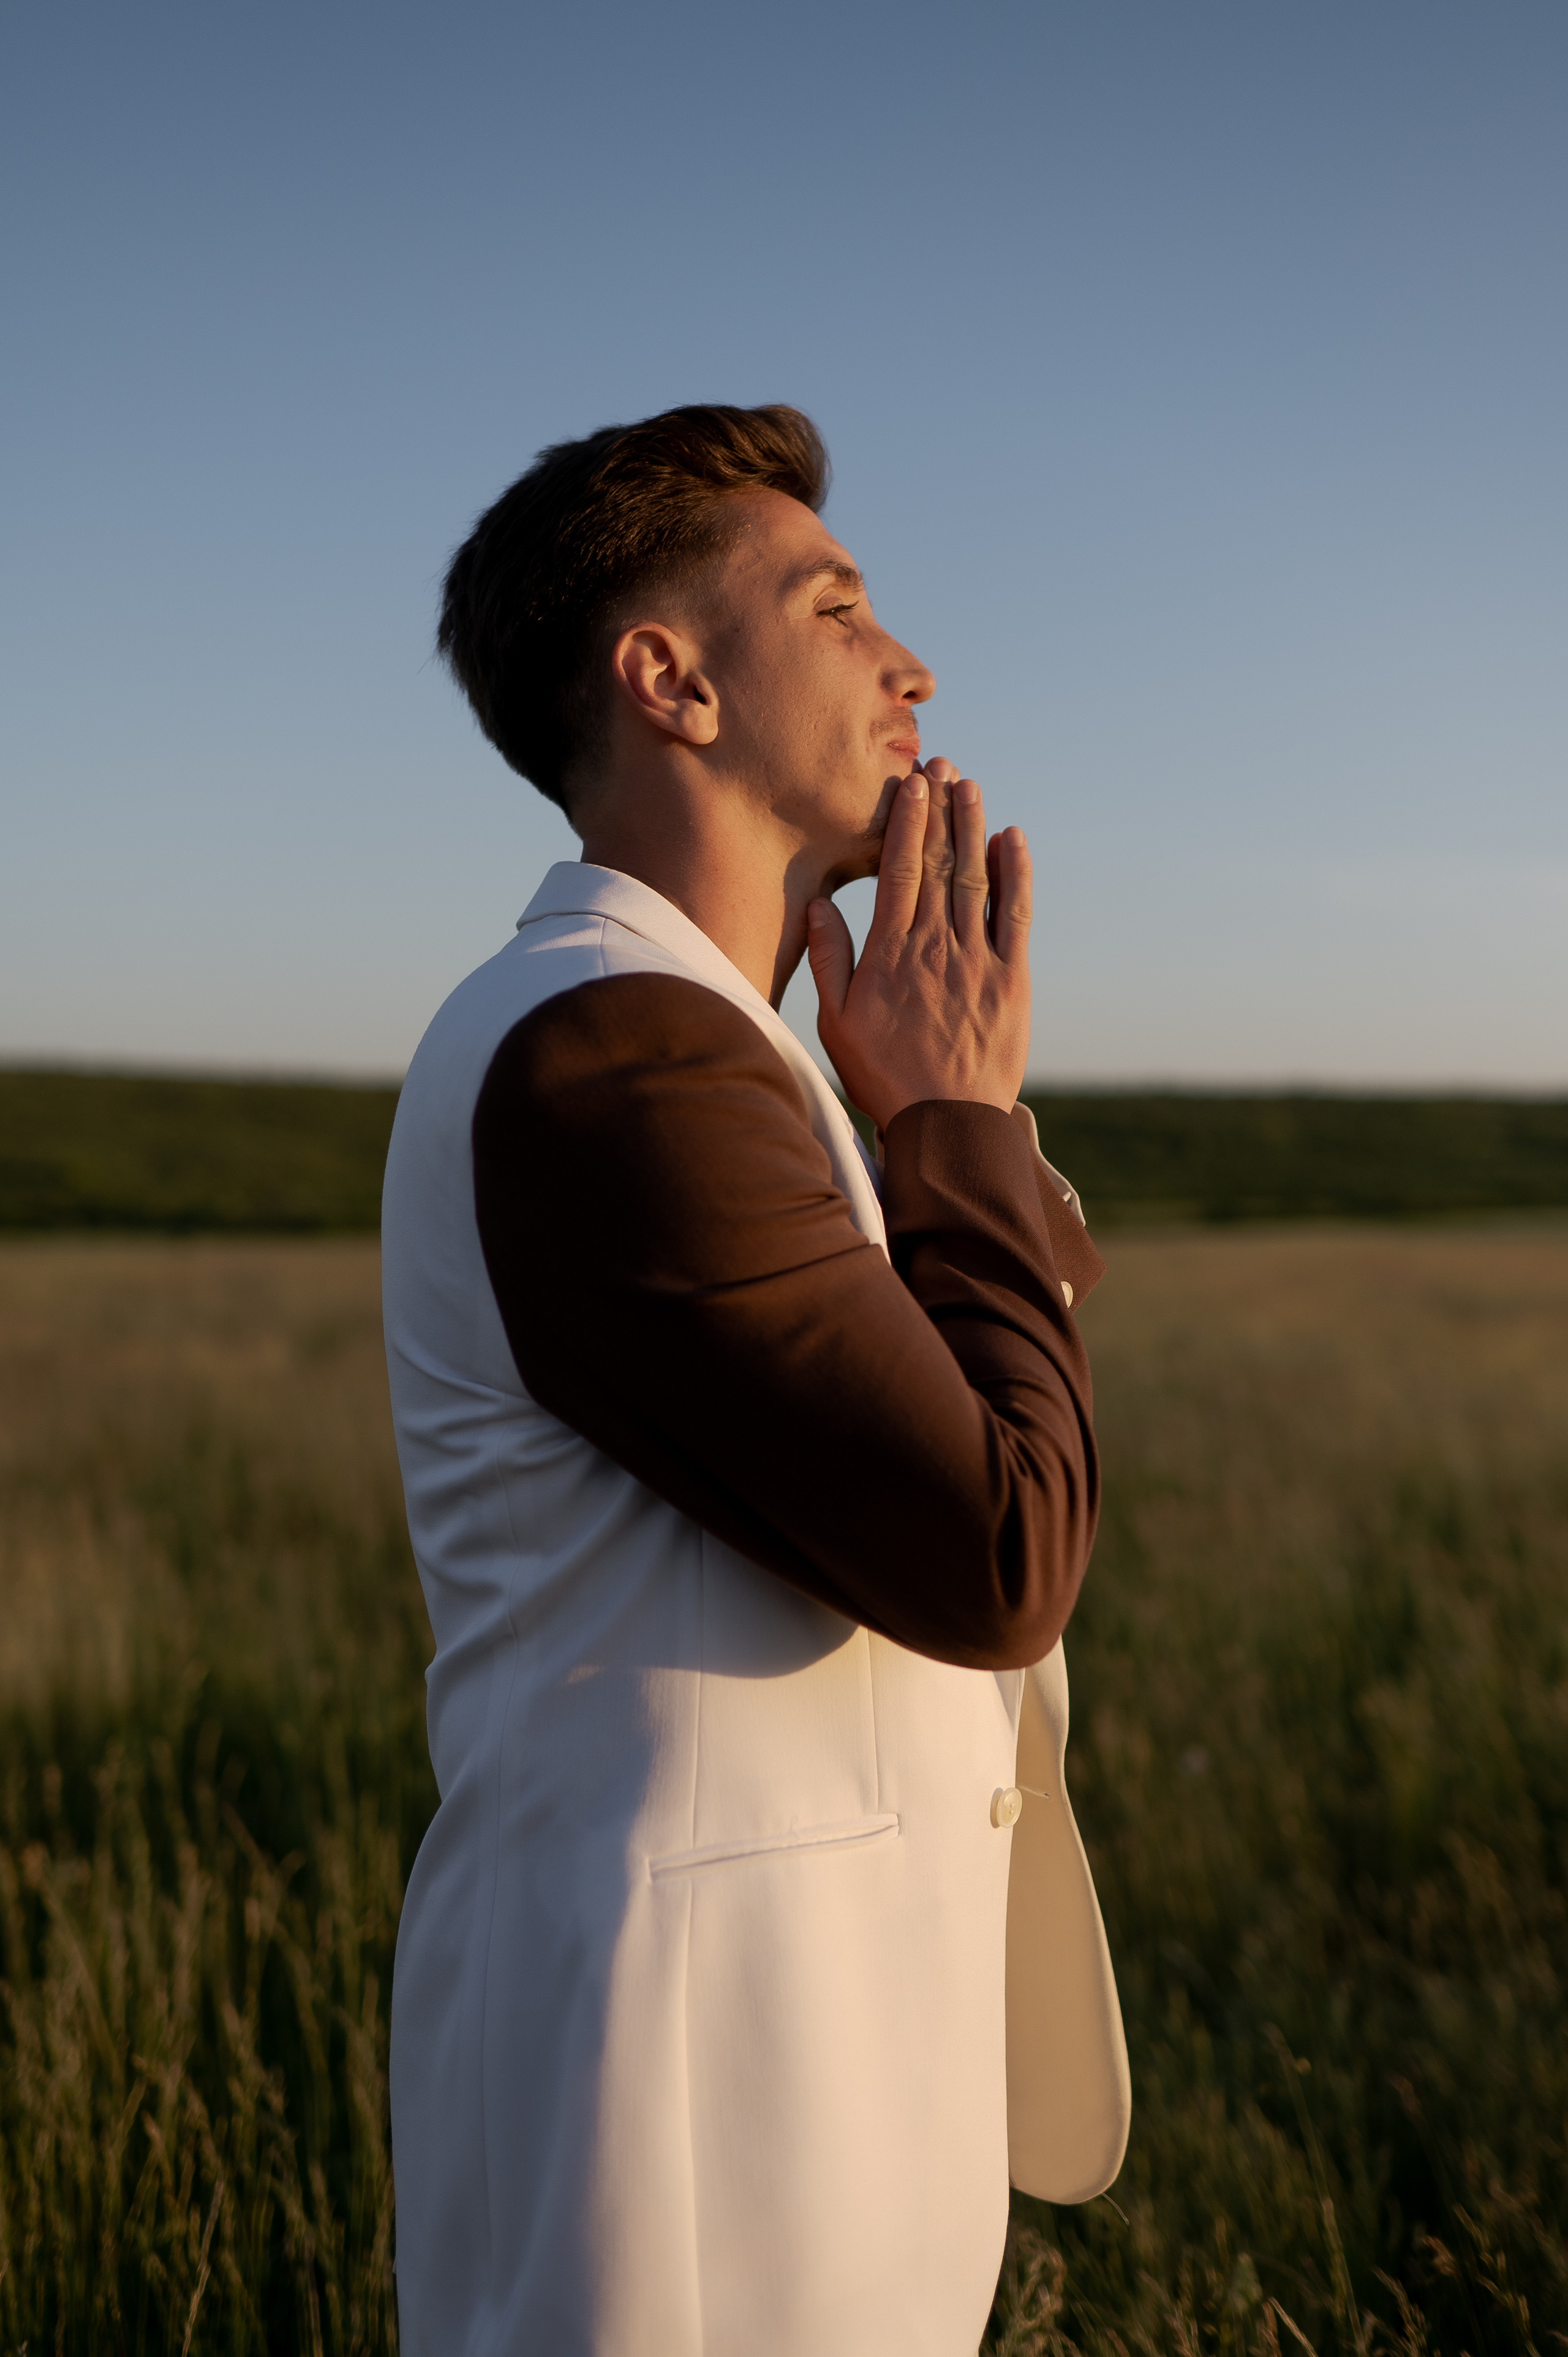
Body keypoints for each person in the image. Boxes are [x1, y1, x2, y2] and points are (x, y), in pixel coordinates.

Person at [380, 403, 1129, 2357]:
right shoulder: (612, 1052)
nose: (913, 666)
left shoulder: (730, 1056)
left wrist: (918, 1120)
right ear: (670, 680)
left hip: (805, 2077)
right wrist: (958, 1121)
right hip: (689, 2124)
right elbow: (995, 1547)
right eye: (838, 604)